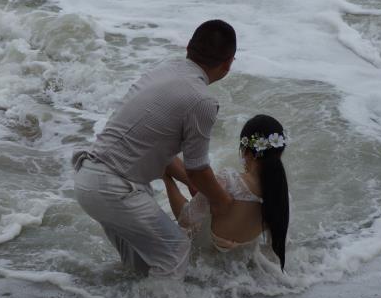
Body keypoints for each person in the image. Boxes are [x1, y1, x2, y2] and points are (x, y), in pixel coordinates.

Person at [72, 20, 237, 279]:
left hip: (88, 179)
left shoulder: (163, 71)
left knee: (140, 268)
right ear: (228, 63)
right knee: (176, 250)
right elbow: (198, 170)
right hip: (115, 188)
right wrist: (224, 202)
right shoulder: (203, 100)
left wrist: (193, 183)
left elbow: (154, 146)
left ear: (188, 49)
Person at [162, 114, 290, 270]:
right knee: (195, 179)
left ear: (246, 151)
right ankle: (197, 184)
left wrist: (167, 180)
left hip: (200, 268)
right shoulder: (279, 196)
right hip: (236, 271)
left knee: (164, 156)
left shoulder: (229, 180)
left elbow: (185, 219)